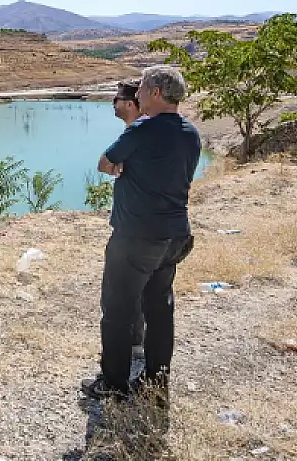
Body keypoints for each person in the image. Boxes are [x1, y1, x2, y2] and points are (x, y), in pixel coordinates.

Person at [84, 65, 201, 400]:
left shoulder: (143, 129)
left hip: (137, 236)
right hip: (174, 236)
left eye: (142, 88)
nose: (136, 95)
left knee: (118, 311)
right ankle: (155, 380)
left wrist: (118, 165)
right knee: (159, 310)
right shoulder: (190, 133)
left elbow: (105, 162)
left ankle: (113, 383)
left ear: (155, 93)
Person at [111, 79, 148, 358]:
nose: (113, 104)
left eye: (117, 100)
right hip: (141, 224)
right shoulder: (138, 133)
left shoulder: (140, 133)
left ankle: (129, 347)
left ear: (129, 104)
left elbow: (105, 163)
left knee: (122, 289)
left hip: (136, 228)